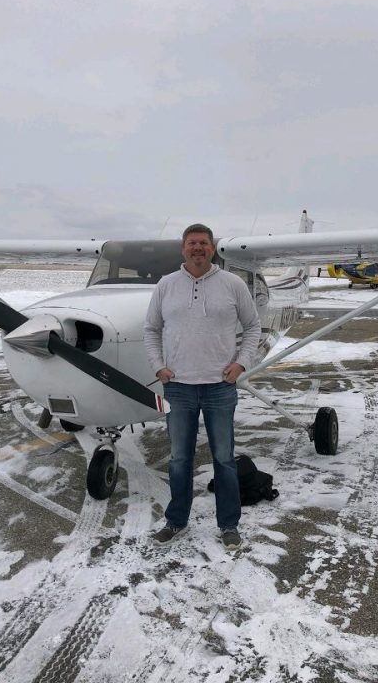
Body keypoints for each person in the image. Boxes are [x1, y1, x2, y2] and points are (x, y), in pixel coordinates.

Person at [144, 223, 261, 551]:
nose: (198, 248)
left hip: (220, 387)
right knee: (179, 458)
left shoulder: (233, 284)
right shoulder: (166, 285)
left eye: (204, 243)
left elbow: (253, 326)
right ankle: (176, 520)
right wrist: (158, 366)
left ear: (213, 248)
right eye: (192, 243)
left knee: (224, 458)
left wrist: (241, 363)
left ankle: (229, 524)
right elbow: (151, 329)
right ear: (183, 248)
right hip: (178, 387)